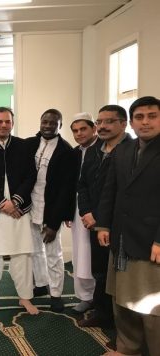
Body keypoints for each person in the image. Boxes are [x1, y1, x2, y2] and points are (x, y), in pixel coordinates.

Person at [96, 96, 160, 356]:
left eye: (152, 116)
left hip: (150, 243)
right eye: (140, 117)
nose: (145, 122)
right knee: (122, 299)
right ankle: (127, 349)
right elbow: (110, 191)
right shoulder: (123, 150)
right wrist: (103, 226)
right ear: (131, 123)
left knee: (151, 306)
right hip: (122, 238)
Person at [0, 107, 39, 316]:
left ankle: (25, 298)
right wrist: (3, 203)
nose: (3, 125)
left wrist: (16, 202)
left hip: (19, 211)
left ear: (12, 123)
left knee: (22, 255)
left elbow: (31, 176)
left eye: (7, 121)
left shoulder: (23, 146)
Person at [77, 105, 131, 328]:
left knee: (120, 273)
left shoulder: (132, 150)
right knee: (99, 270)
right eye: (99, 122)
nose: (102, 126)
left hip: (119, 223)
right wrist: (87, 212)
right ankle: (102, 313)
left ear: (123, 123)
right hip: (94, 223)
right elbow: (83, 185)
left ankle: (123, 322)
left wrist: (101, 218)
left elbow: (123, 192)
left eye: (109, 121)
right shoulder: (93, 149)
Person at [26, 109, 77, 312]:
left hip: (51, 211)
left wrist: (54, 223)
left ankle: (56, 293)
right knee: (35, 251)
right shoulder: (31, 144)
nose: (48, 126)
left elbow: (67, 190)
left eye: (53, 123)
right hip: (30, 208)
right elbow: (8, 150)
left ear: (60, 125)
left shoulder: (66, 151)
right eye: (45, 121)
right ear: (40, 122)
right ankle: (40, 284)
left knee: (53, 254)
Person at [68, 113, 98, 313]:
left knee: (95, 255)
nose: (79, 134)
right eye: (75, 131)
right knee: (80, 253)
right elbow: (71, 184)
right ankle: (85, 296)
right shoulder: (75, 152)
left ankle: (99, 298)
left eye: (83, 129)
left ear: (93, 128)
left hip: (97, 211)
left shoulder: (102, 150)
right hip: (78, 210)